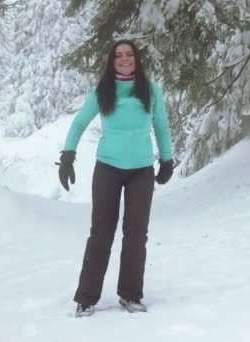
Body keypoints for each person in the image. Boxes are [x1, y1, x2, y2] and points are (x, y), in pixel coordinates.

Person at [56, 40, 174, 317]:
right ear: (112, 61)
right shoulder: (104, 91)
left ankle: (130, 295)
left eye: (129, 54)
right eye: (119, 55)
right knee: (101, 233)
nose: (124, 59)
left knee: (136, 235)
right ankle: (86, 298)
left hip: (141, 171)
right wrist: (67, 156)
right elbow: (79, 122)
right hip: (108, 168)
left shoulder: (150, 91)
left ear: (136, 59)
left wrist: (166, 159)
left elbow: (161, 126)